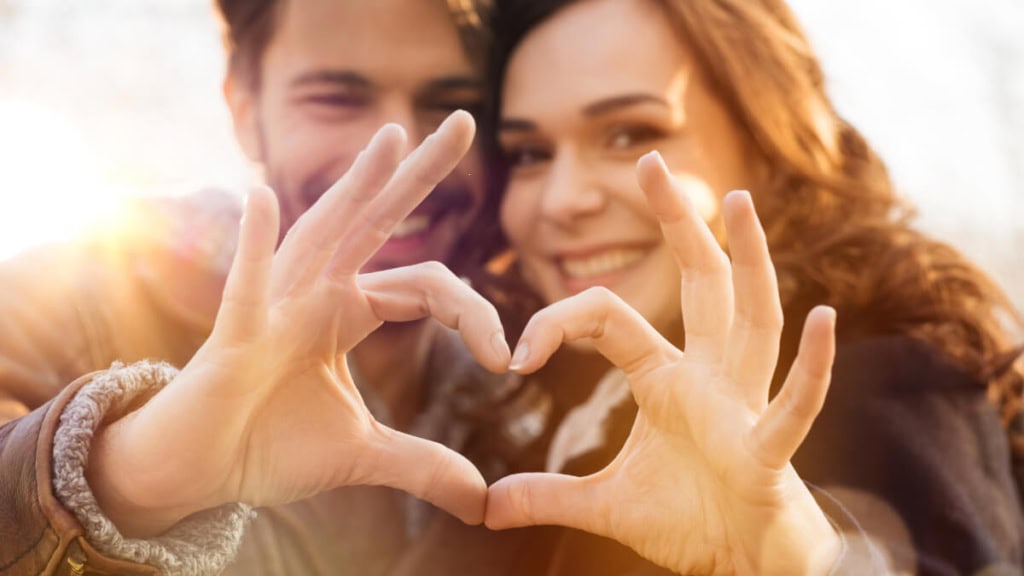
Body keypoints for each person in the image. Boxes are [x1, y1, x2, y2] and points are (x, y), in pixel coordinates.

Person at [413, 0, 1020, 574]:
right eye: (529, 153)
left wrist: (798, 555)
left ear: (766, 140)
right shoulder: (547, 417)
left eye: (629, 135)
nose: (562, 199)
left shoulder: (879, 390)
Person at [0, 0, 506, 574]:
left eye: (450, 105)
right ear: (243, 109)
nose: (403, 151)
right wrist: (122, 481)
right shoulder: (63, 295)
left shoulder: (524, 388)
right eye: (336, 99)